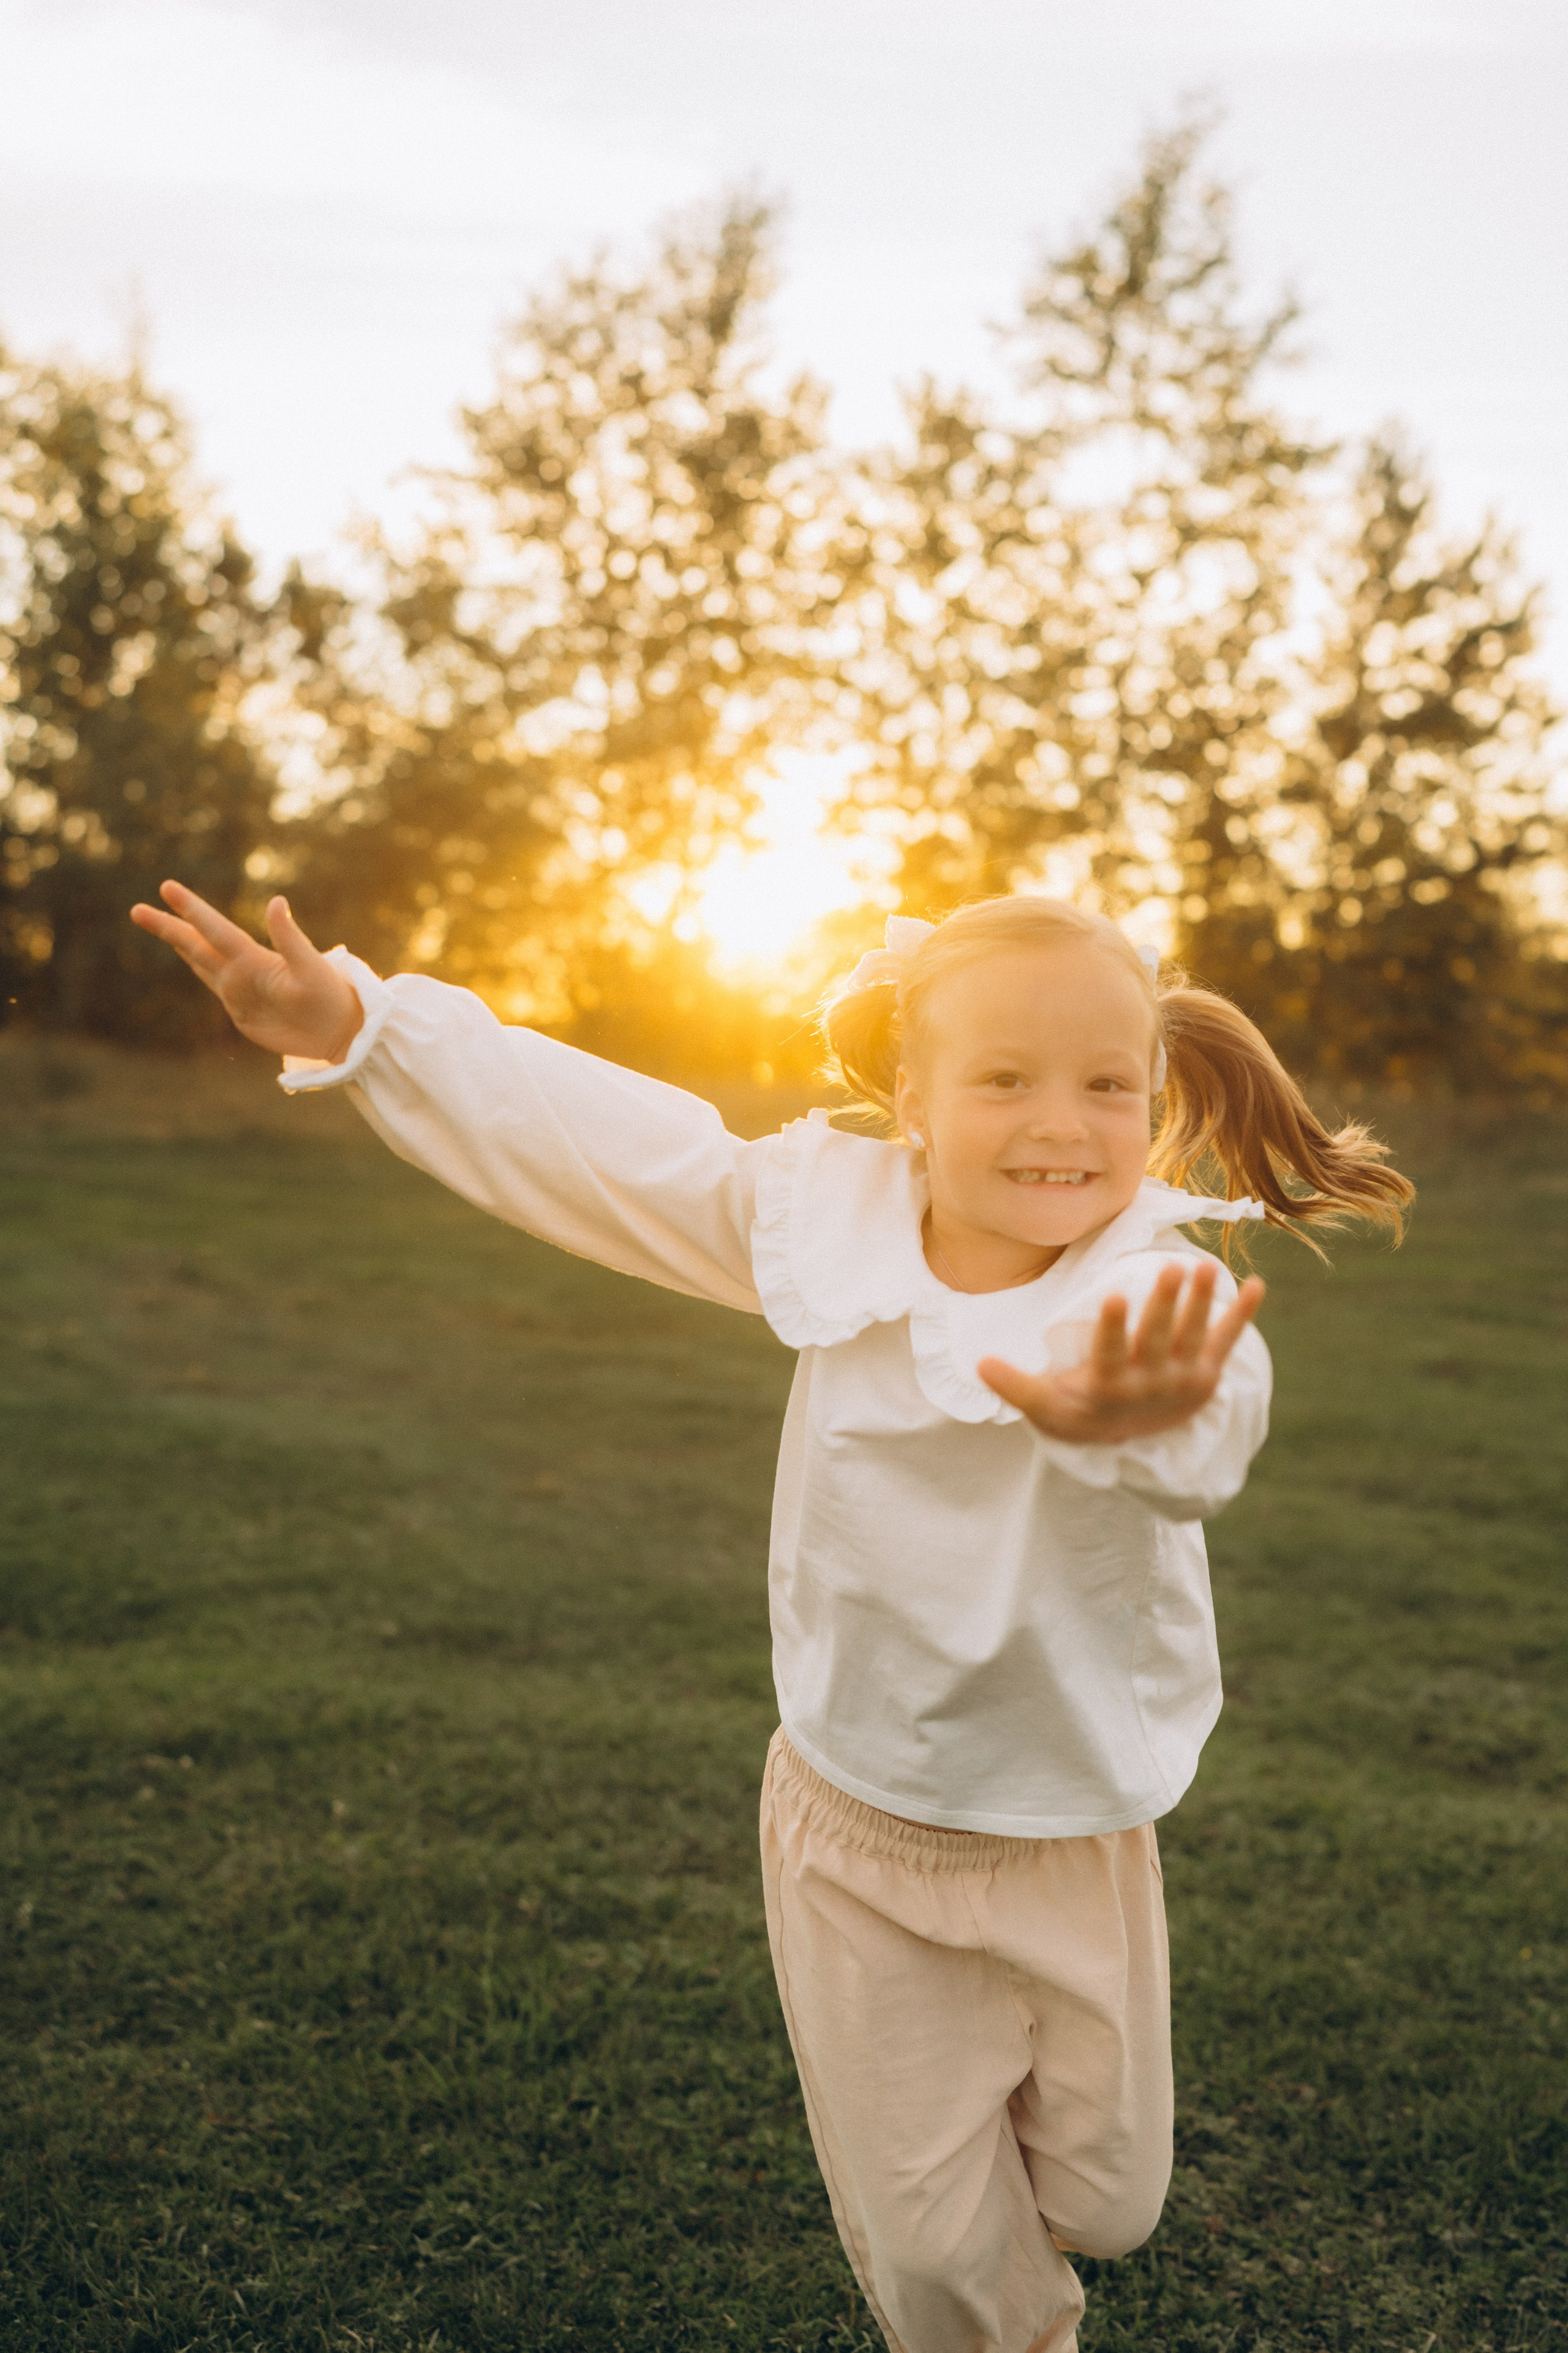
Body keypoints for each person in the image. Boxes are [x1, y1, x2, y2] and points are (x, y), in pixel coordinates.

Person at [129, 881, 1412, 2353]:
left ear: (1150, 1100)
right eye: (1003, 1079)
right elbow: (607, 1141)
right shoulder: (821, 1225)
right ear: (912, 1104)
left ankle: (1035, 2256)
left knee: (1108, 2197)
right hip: (855, 1822)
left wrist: (1148, 1416)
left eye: (1105, 1086)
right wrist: (365, 1023)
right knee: (943, 2259)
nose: (1061, 1121)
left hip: (1069, 1819)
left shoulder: (1151, 1278)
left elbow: (1207, 1413)